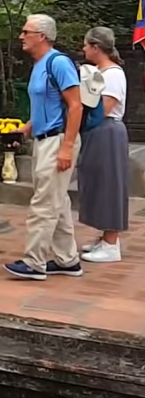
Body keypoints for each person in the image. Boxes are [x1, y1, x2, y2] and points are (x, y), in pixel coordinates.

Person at [4, 14, 84, 280]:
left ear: (42, 36)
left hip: (58, 140)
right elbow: (45, 105)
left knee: (44, 204)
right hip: (45, 138)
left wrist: (67, 147)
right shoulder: (39, 65)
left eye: (26, 32)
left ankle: (34, 262)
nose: (21, 36)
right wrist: (26, 129)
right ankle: (67, 259)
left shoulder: (58, 63)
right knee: (56, 201)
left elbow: (75, 105)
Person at [78, 26, 129, 264]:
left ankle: (111, 243)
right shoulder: (98, 72)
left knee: (110, 185)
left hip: (107, 130)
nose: (83, 49)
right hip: (97, 131)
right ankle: (106, 237)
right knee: (97, 183)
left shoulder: (113, 74)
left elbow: (104, 109)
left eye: (87, 45)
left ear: (96, 48)